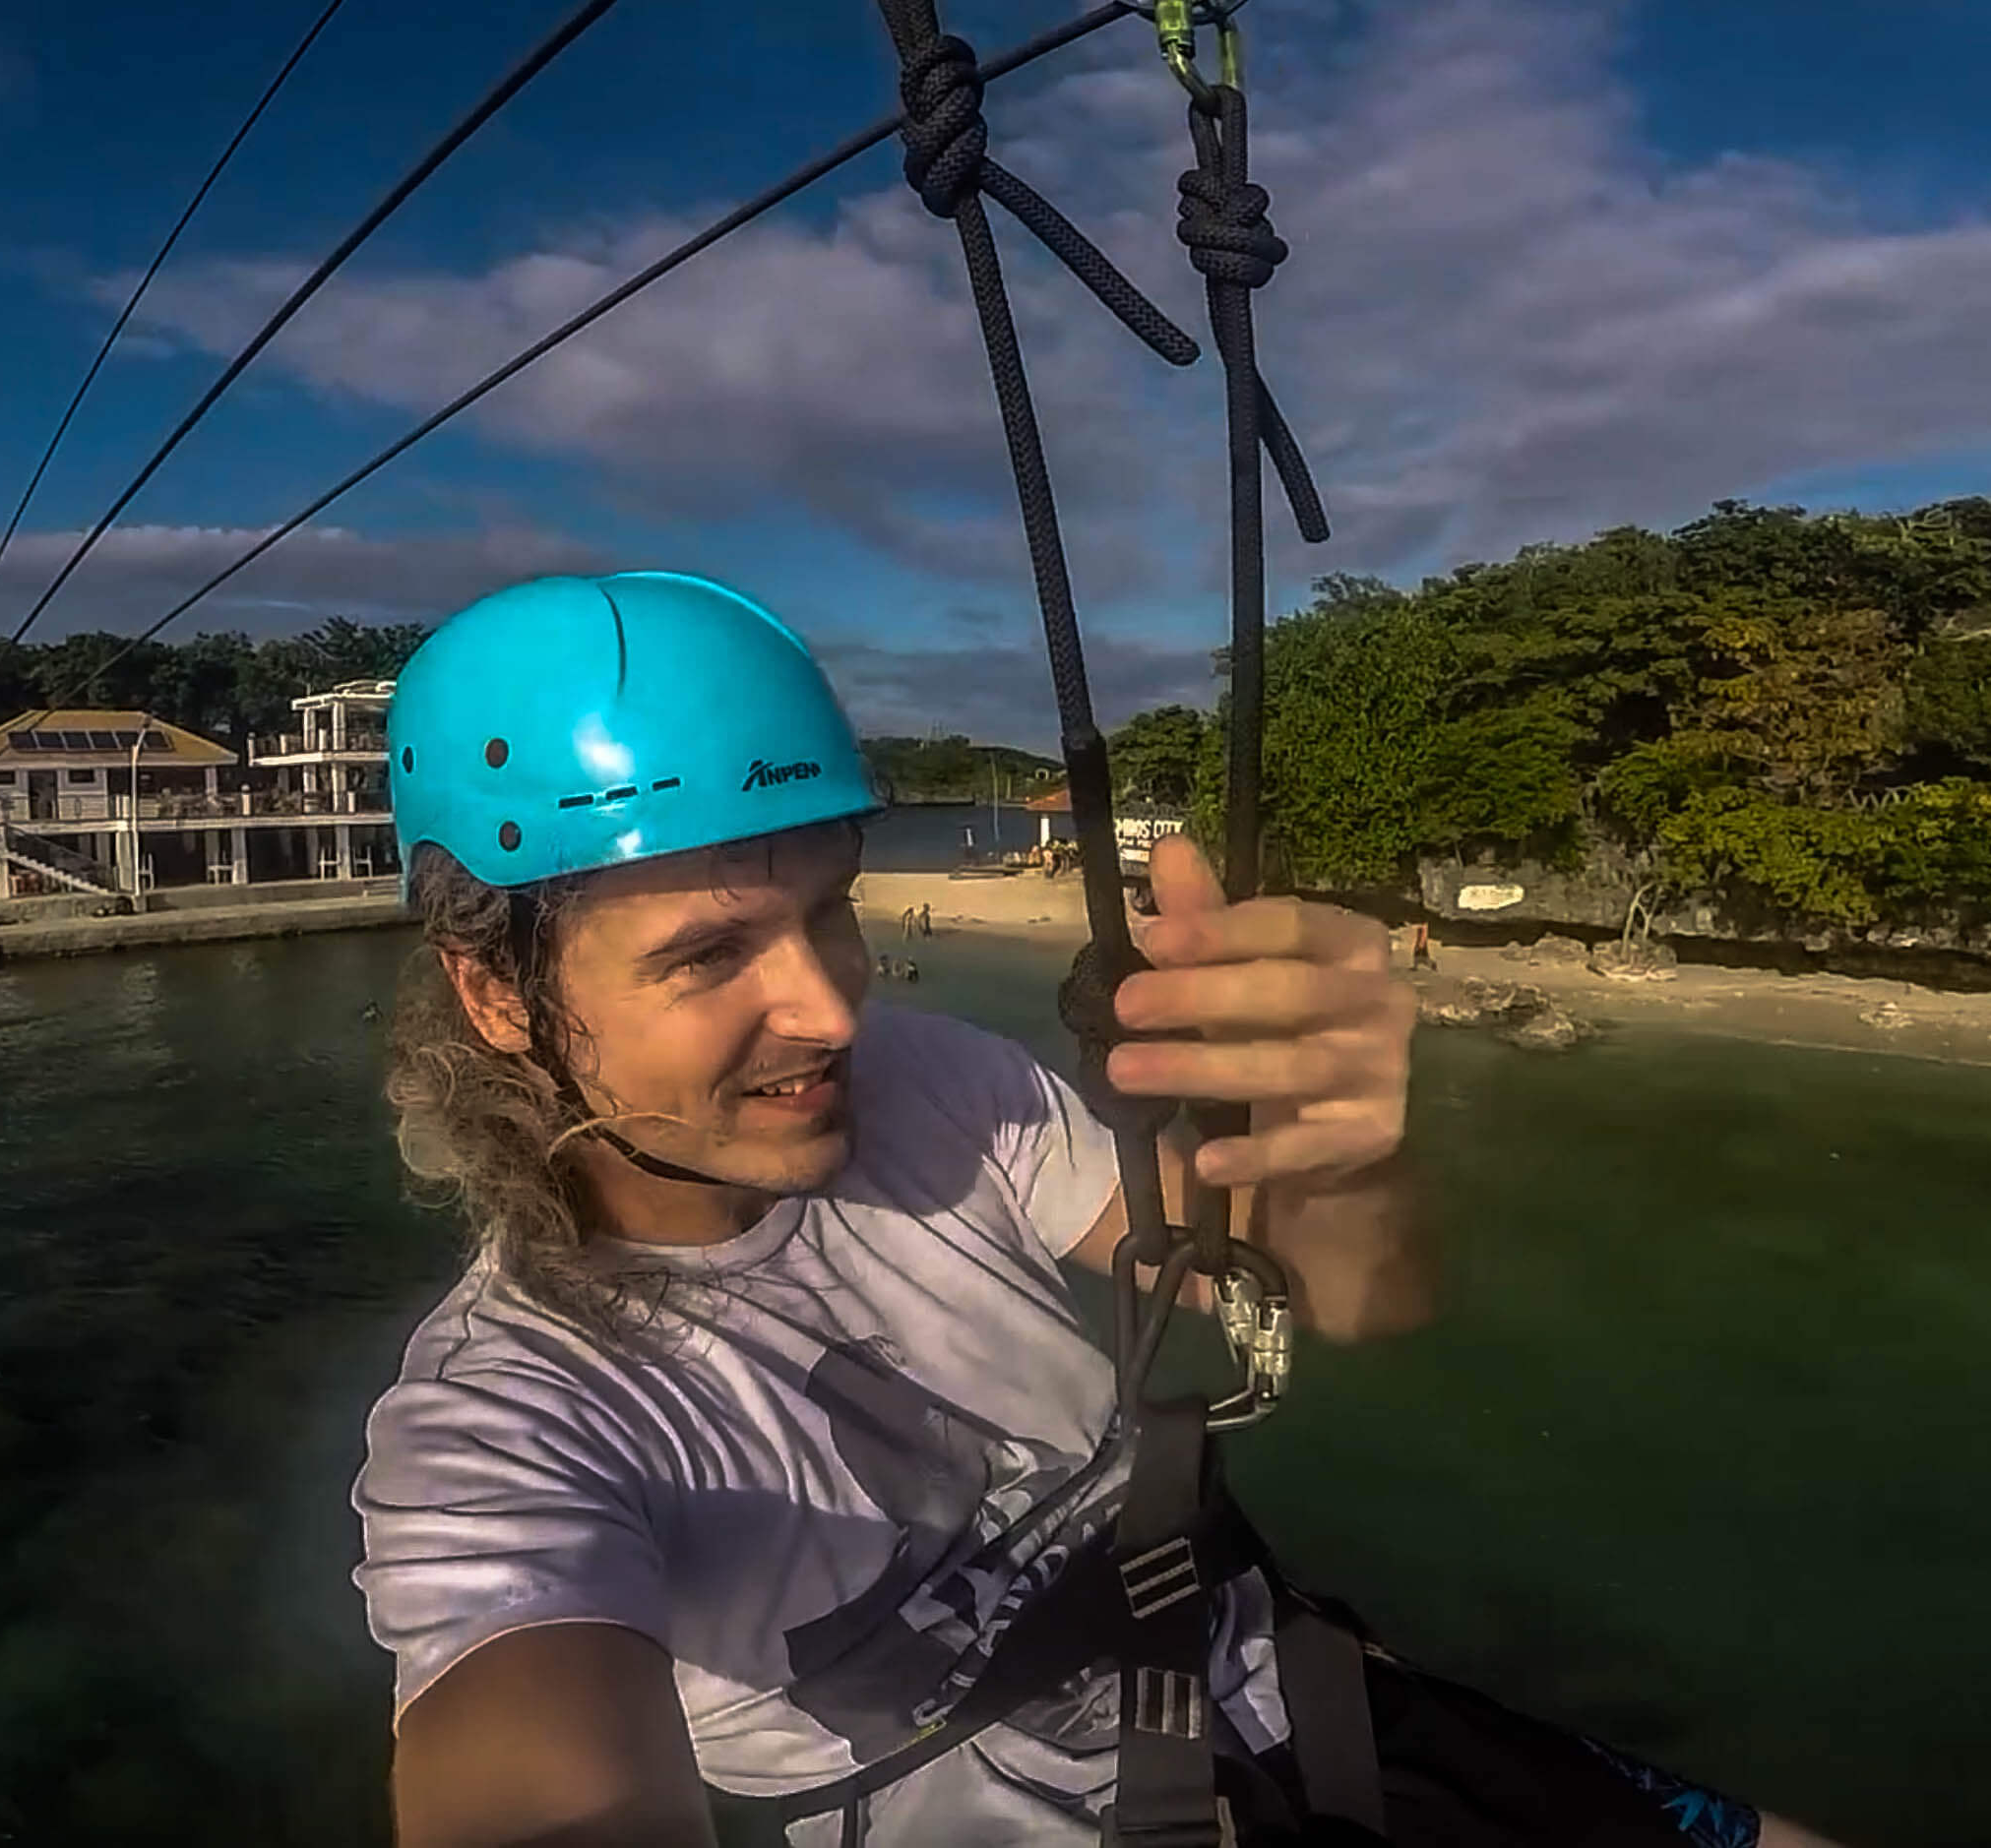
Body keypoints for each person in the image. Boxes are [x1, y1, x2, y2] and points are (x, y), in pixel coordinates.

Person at [352, 573, 1837, 1848]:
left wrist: (1336, 1155)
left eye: (831, 908)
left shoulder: (931, 1087)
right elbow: (530, 1735)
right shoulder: (508, 1416)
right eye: (707, 955)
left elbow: (1350, 1290)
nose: (828, 1001)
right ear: (500, 996)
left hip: (1318, 1710)